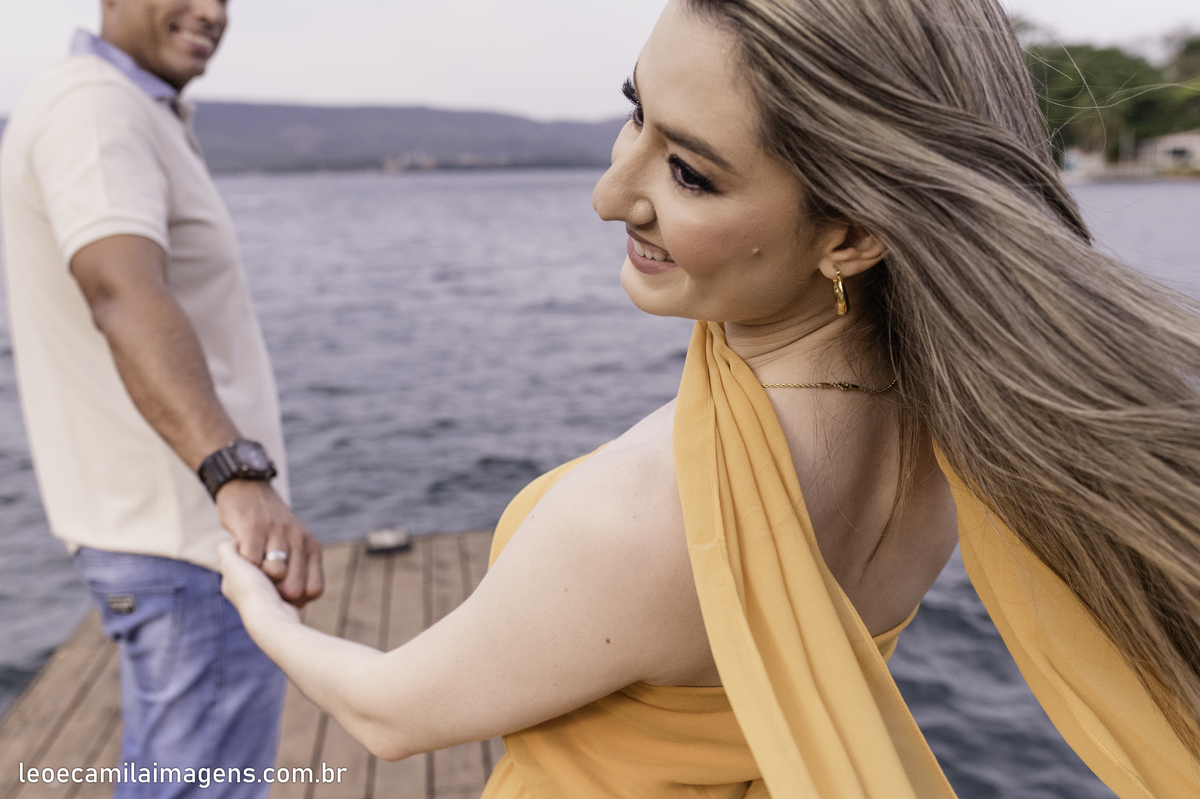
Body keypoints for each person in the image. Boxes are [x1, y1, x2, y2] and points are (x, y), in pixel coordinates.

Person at [219, 0, 1200, 796]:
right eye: (634, 110)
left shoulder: (645, 512)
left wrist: (257, 605)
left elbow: (390, 714)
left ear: (852, 236)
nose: (610, 193)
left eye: (689, 172)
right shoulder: (958, 436)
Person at [0, 0, 323, 796]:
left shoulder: (125, 105)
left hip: (162, 533)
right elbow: (121, 291)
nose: (211, 11)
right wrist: (236, 475)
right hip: (189, 539)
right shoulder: (94, 106)